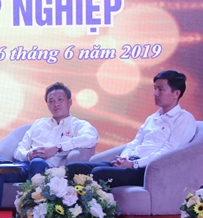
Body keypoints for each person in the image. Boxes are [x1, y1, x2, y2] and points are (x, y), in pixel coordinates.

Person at [0, 82, 98, 218]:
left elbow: (90, 139)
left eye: (60, 99)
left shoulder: (78, 125)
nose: (55, 104)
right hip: (26, 165)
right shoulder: (38, 124)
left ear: (69, 102)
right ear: (47, 104)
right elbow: (19, 151)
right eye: (51, 100)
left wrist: (57, 148)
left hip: (50, 170)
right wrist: (30, 154)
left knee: (38, 163)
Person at [67, 70, 196, 187]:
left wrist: (134, 164)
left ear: (176, 93)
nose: (155, 93)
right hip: (130, 164)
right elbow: (135, 142)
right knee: (73, 168)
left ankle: (93, 205)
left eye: (161, 89)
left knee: (98, 173)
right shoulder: (152, 118)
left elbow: (168, 152)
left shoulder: (184, 118)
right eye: (154, 88)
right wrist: (124, 159)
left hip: (146, 171)